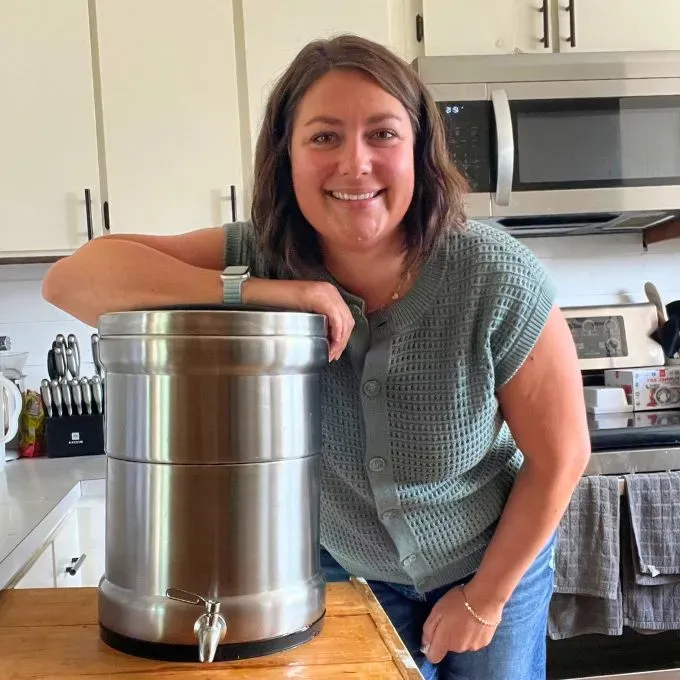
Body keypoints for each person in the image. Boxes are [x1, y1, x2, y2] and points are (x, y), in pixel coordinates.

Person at [43, 34, 590, 679]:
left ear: (420, 151)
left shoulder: (494, 277)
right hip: (344, 571)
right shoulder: (260, 252)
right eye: (324, 137)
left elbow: (561, 457)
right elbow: (74, 279)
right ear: (288, 158)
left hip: (493, 561)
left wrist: (483, 599)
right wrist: (260, 291)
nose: (355, 165)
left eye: (382, 134)